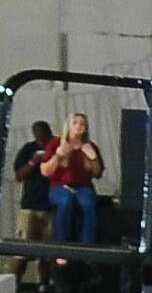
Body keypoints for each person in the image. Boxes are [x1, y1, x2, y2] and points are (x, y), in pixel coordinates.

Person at [43, 112, 102, 245]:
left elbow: (97, 173)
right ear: (68, 125)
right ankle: (61, 244)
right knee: (66, 201)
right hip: (60, 187)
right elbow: (45, 171)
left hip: (83, 187)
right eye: (75, 122)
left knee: (88, 203)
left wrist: (93, 158)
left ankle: (88, 245)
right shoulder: (56, 143)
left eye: (82, 124)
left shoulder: (89, 146)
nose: (78, 126)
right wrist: (58, 155)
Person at [8, 120, 53, 283]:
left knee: (48, 255)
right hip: (30, 206)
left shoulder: (56, 147)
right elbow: (18, 176)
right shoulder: (28, 149)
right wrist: (33, 162)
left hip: (51, 206)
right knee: (21, 252)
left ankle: (44, 288)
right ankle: (14, 288)